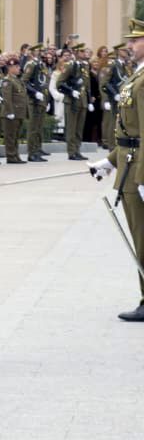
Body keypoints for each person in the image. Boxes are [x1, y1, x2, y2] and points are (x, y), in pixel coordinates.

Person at [90, 20, 144, 321]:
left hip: (138, 171)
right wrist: (110, 161)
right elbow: (130, 131)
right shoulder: (136, 76)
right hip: (129, 164)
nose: (129, 46)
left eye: (136, 41)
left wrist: (143, 177)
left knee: (142, 237)